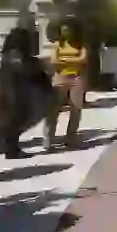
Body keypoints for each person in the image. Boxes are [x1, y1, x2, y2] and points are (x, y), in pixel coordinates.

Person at [0, 26, 49, 159]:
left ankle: (12, 149)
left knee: (13, 122)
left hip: (8, 92)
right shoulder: (16, 55)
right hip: (17, 93)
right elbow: (26, 71)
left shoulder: (7, 55)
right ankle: (12, 150)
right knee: (16, 121)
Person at [44, 16, 88, 150]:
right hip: (60, 78)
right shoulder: (58, 45)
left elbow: (83, 60)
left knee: (75, 109)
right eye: (63, 30)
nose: (66, 33)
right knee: (54, 109)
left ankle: (71, 138)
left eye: (68, 30)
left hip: (77, 78)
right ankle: (49, 138)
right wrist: (73, 60)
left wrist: (64, 61)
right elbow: (53, 61)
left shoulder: (81, 45)